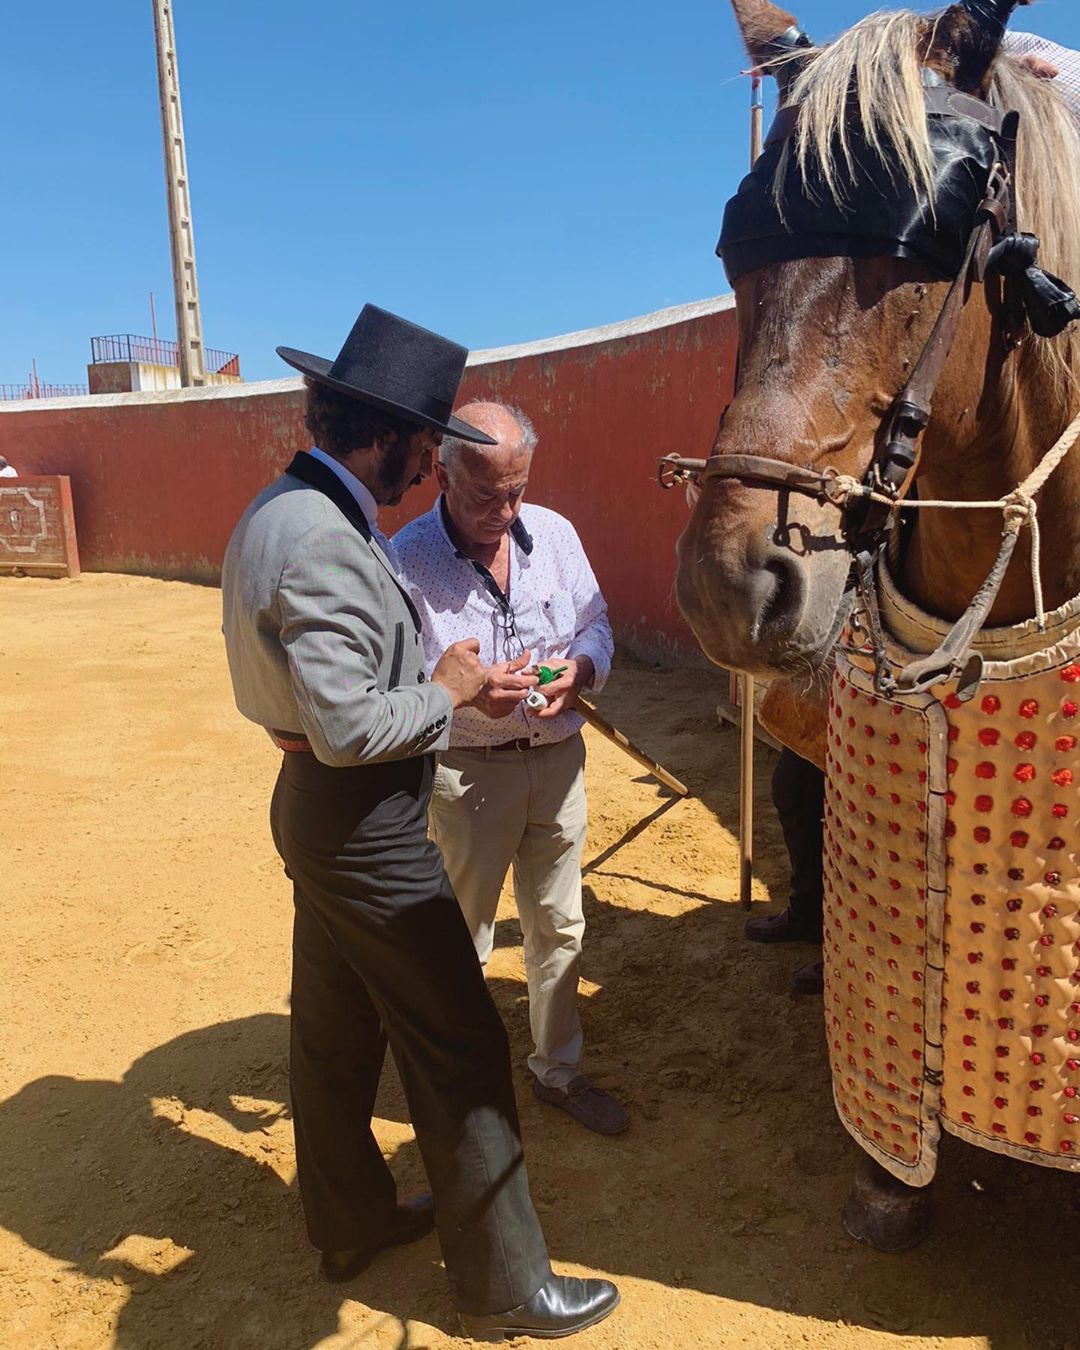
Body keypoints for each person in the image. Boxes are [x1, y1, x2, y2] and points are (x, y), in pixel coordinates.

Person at [221, 306, 619, 1341]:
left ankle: (349, 1218)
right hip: (362, 817)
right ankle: (505, 1289)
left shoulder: (279, 509)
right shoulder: (328, 539)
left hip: (319, 808)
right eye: (422, 441)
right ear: (393, 436)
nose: (423, 462)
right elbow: (353, 728)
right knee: (459, 1044)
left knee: (337, 1028)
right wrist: (447, 689)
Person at [394, 402, 629, 1136]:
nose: (505, 510)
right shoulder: (404, 561)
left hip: (557, 762)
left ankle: (557, 1071)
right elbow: (396, 691)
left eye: (517, 490)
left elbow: (597, 623)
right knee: (462, 936)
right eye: (484, 494)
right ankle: (461, 1089)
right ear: (442, 471)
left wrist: (582, 669)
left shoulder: (554, 534)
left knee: (559, 926)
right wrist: (459, 694)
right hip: (467, 776)